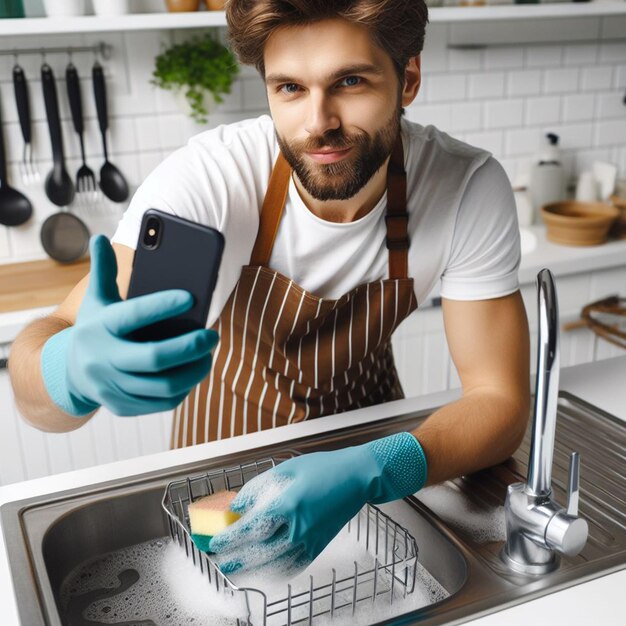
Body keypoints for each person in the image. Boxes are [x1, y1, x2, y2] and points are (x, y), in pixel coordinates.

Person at [9, 0, 530, 574]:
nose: (318, 123)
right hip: (217, 482)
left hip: (371, 475)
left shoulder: (464, 186)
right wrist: (72, 370)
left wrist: (377, 466)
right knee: (226, 595)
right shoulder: (212, 183)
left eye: (350, 82)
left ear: (408, 79)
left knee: (371, 592)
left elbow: (500, 402)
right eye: (289, 88)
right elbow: (41, 381)